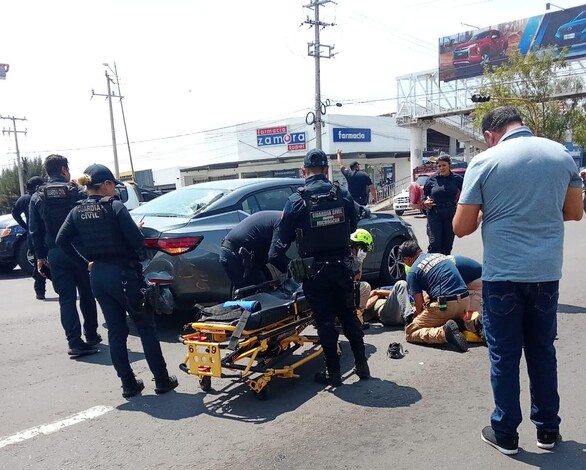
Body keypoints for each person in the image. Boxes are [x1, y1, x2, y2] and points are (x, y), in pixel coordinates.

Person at [453, 106, 583, 455]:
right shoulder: (561, 155)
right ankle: (548, 432)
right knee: (542, 352)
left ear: (490, 135)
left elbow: (461, 227)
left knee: (504, 356)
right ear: (521, 125)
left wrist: (488, 210)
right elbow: (574, 212)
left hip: (503, 276)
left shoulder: (485, 162)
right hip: (545, 274)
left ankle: (506, 433)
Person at [55, 164, 178, 398]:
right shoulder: (115, 207)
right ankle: (162, 379)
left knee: (116, 330)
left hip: (98, 277)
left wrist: (85, 262)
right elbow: (137, 243)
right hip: (124, 276)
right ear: (107, 185)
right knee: (146, 327)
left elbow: (62, 241)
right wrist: (136, 230)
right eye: (114, 186)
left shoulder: (77, 210)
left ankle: (128, 384)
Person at [279, 148, 370, 387]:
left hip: (315, 272)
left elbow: (283, 237)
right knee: (349, 315)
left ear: (303, 171)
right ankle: (362, 365)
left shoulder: (297, 200)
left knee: (325, 321)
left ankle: (334, 373)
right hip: (342, 266)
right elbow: (353, 224)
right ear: (326, 170)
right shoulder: (342, 194)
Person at [29, 154, 101, 358]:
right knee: (87, 294)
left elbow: (34, 231)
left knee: (66, 299)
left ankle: (74, 342)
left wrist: (40, 258)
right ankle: (92, 334)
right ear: (63, 170)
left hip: (55, 253)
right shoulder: (75, 191)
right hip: (80, 252)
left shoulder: (37, 196)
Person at [399, 240, 474, 353]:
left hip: (445, 305)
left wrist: (417, 318)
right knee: (447, 317)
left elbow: (419, 308)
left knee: (410, 332)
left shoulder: (413, 271)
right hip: (465, 301)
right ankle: (475, 324)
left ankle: (444, 333)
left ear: (406, 259)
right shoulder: (440, 256)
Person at [220, 210, 291, 291]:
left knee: (266, 289)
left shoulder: (282, 218)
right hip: (235, 255)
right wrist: (298, 271)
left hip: (247, 256)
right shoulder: (283, 223)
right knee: (250, 294)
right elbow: (274, 257)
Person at [12, 176, 47, 300]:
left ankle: (40, 292)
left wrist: (25, 226)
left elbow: (15, 213)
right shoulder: (42, 197)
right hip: (45, 234)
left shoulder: (24, 199)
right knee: (47, 261)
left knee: (39, 261)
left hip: (32, 234)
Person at [422, 155, 463, 255]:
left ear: (449, 165)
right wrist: (424, 202)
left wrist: (461, 203)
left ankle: (444, 268)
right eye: (439, 166)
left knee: (447, 245)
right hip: (435, 214)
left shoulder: (457, 179)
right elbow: (424, 194)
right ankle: (432, 268)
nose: (441, 168)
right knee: (435, 244)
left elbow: (466, 192)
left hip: (450, 214)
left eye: (444, 165)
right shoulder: (432, 179)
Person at [349, 228, 374, 310]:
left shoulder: (351, 256)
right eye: (364, 249)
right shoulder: (349, 258)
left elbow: (357, 279)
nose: (365, 252)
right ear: (358, 247)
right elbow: (356, 278)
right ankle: (356, 314)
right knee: (365, 287)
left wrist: (359, 261)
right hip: (338, 288)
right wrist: (359, 261)